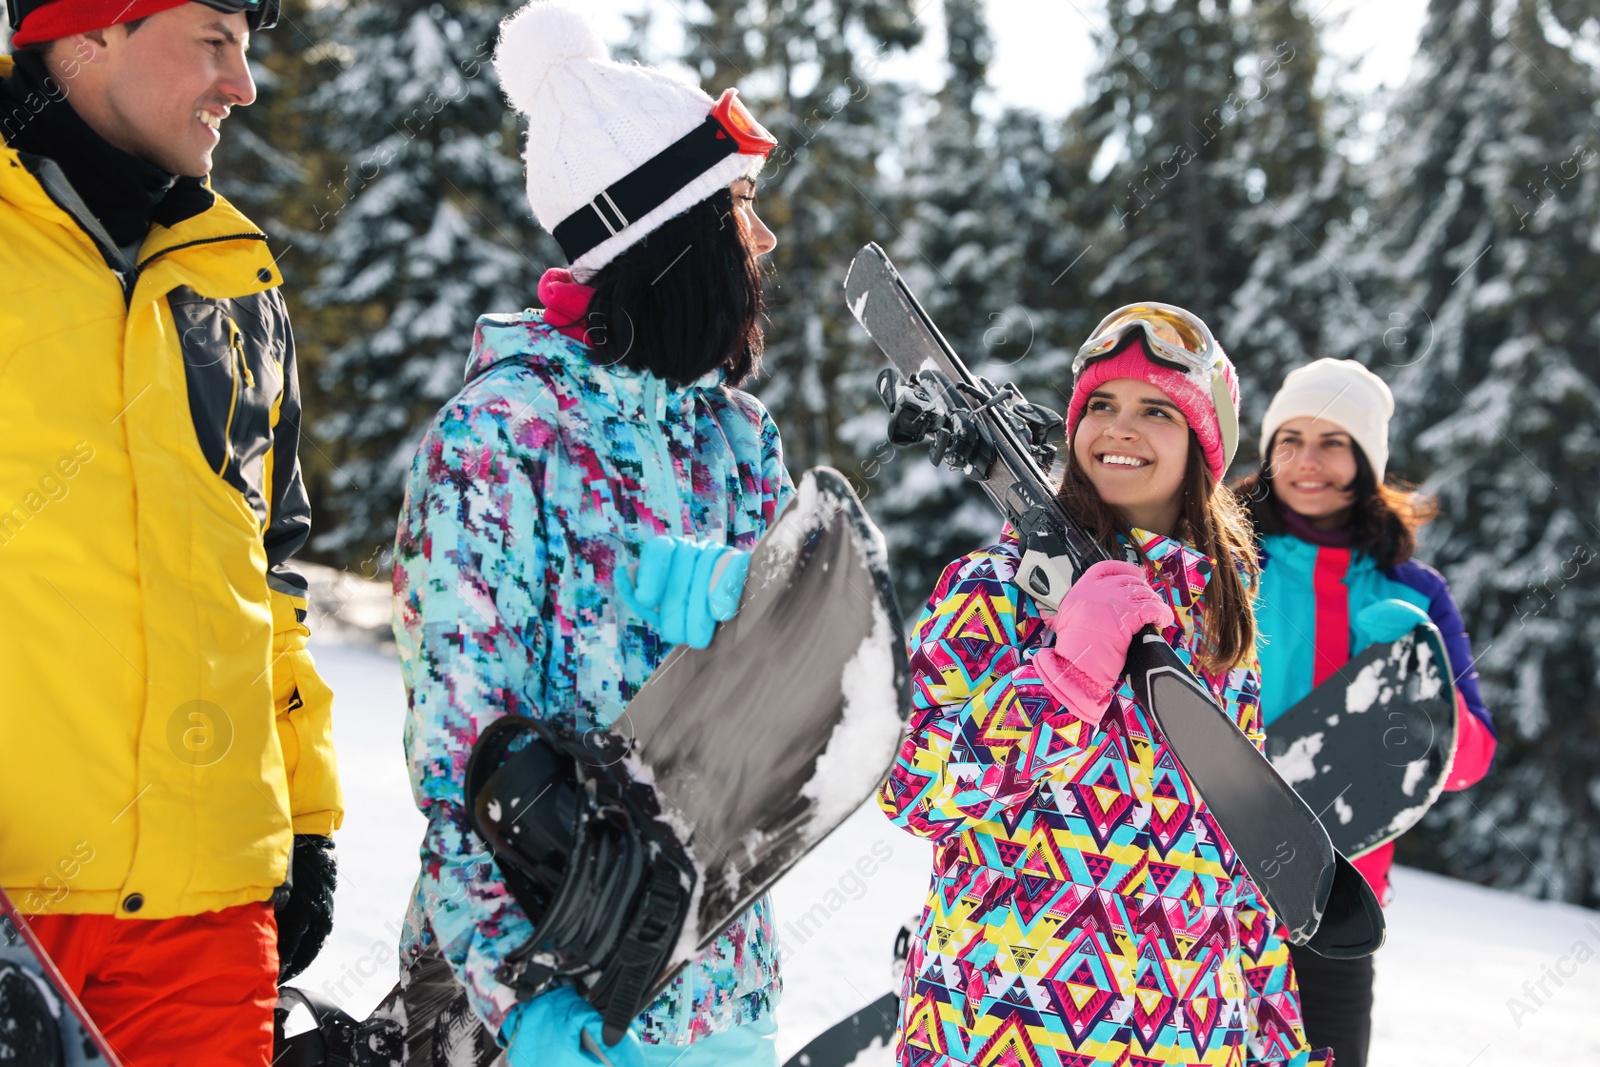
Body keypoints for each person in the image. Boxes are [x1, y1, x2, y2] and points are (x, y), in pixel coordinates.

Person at [391, 3, 790, 1065]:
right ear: (673, 240)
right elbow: (460, 760)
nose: (763, 237)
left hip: (724, 1001)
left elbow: (804, 731)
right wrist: (520, 1009)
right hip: (547, 1000)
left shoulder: (739, 436)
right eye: (738, 207)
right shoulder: (497, 436)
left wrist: (765, 618)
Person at [0, 0, 341, 1062]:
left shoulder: (236, 277)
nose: (241, 85)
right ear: (88, 30)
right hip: (20, 898)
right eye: (214, 42)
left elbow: (270, 576)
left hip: (207, 912)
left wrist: (309, 817)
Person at [878, 303, 1329, 1067]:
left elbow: (1248, 858)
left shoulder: (1222, 629)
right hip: (998, 1032)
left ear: (1202, 446)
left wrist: (1278, 1046)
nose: (1120, 428)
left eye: (1156, 410)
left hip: (1188, 1037)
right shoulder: (999, 584)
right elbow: (910, 787)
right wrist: (1058, 684)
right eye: (1101, 405)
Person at [1234, 358, 1496, 1067]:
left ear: (1365, 459)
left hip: (1337, 896)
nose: (1306, 461)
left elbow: (1470, 758)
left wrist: (1420, 671)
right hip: (1206, 878)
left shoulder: (1414, 587)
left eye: (1332, 442)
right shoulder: (1224, 555)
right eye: (1289, 439)